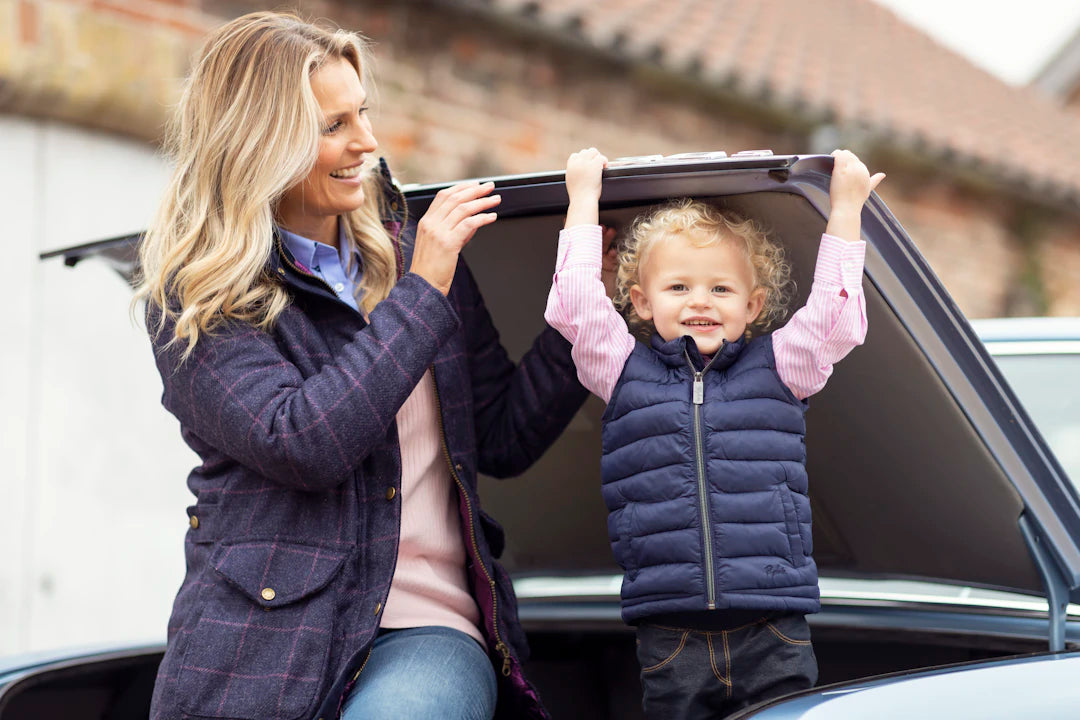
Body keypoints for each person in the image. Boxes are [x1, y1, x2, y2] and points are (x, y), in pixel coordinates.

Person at [134, 11, 587, 720]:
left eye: (363, 115)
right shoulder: (195, 298)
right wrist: (422, 290)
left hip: (425, 627)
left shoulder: (417, 257)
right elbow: (303, 442)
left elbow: (499, 435)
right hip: (257, 643)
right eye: (333, 125)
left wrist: (590, 305)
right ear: (262, 141)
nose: (367, 143)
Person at [545, 147, 884, 719]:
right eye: (678, 287)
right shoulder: (620, 369)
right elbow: (575, 305)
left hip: (771, 624)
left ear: (752, 305)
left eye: (721, 290)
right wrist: (582, 199)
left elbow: (836, 314)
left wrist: (846, 209)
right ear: (640, 301)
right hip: (669, 632)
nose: (700, 300)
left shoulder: (782, 366)